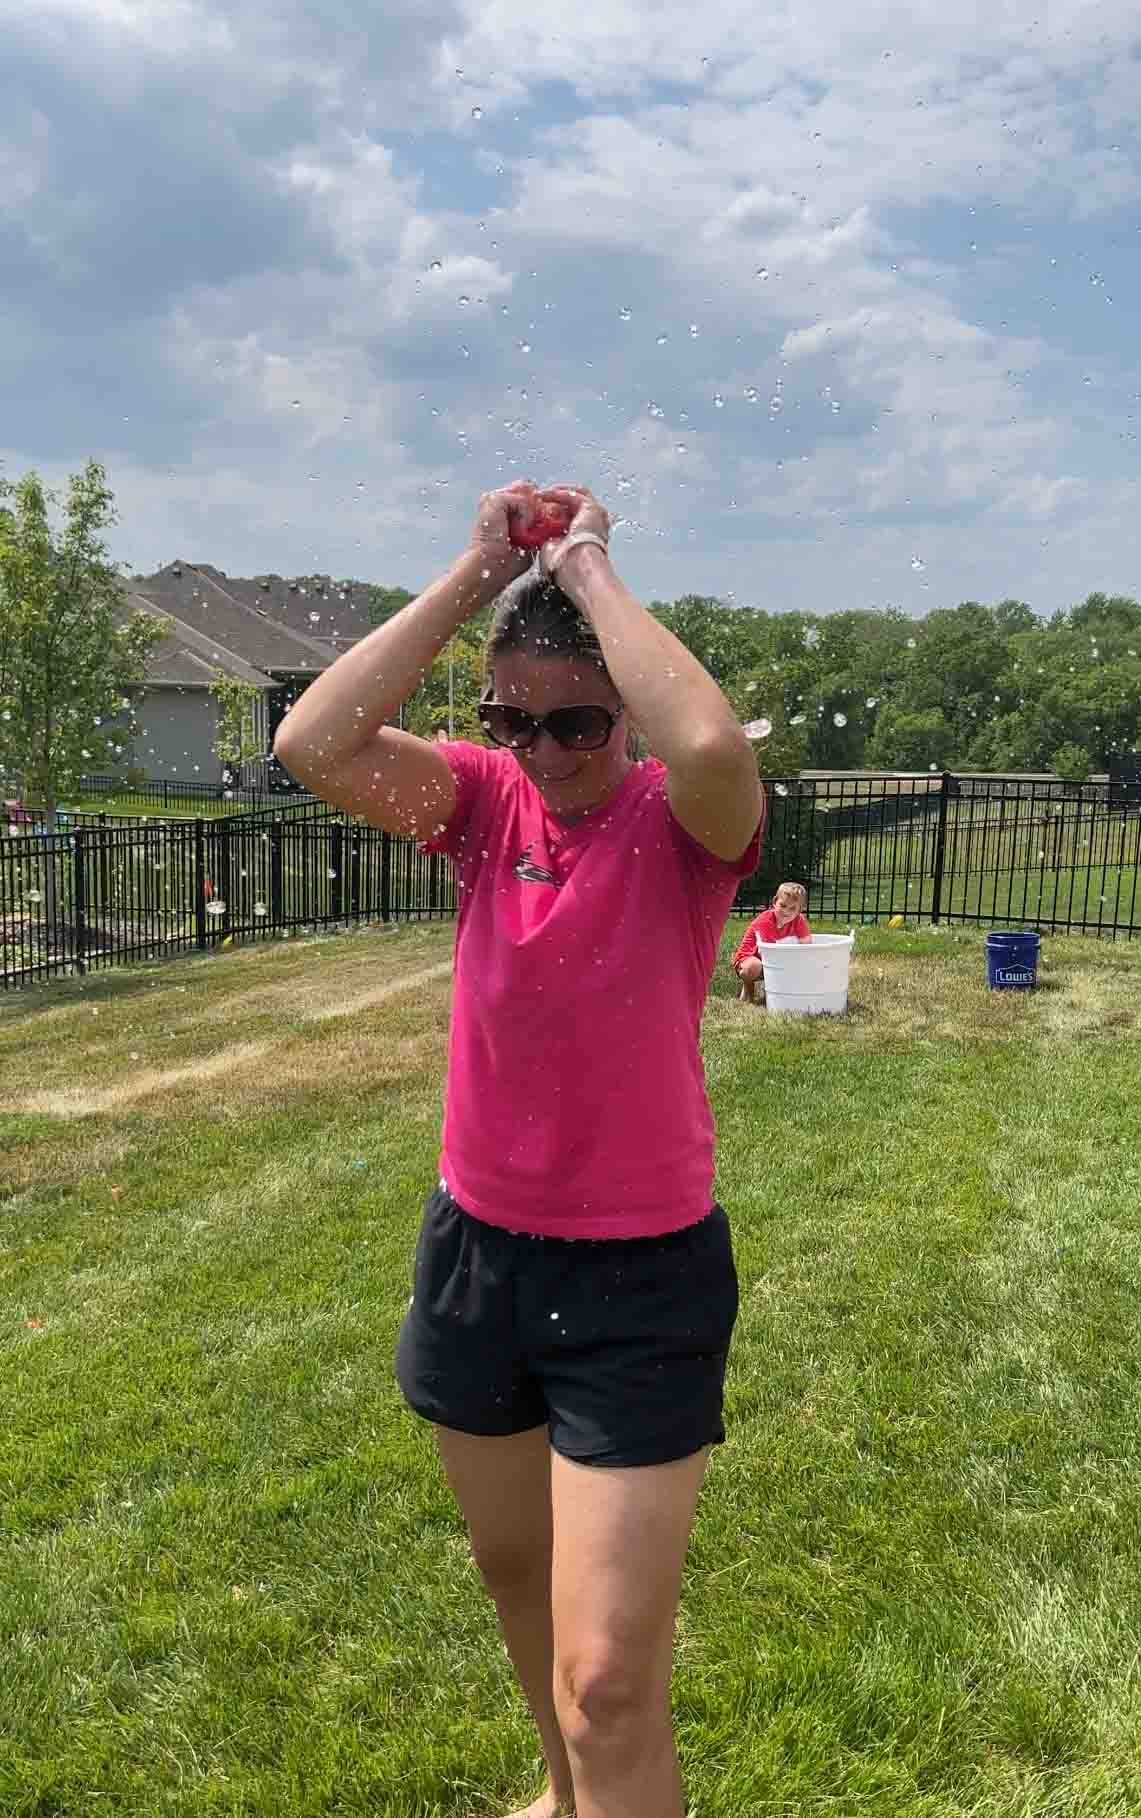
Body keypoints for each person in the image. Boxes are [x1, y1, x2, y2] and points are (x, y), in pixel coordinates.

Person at [272, 479, 763, 1818]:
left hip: (641, 1275)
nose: (542, 750)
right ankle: (561, 1796)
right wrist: (474, 573)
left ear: (623, 713)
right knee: (515, 1575)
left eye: (578, 721)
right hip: (478, 1251)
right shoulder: (482, 805)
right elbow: (315, 740)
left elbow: (712, 738)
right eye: (511, 718)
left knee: (607, 1678)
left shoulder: (681, 825)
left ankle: (595, 1777)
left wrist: (591, 563)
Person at [731, 880, 812, 1004]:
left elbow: (807, 946)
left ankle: (771, 991)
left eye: (792, 908)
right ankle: (748, 988)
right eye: (783, 905)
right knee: (753, 967)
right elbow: (768, 953)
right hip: (750, 959)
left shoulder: (799, 920)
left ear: (800, 910)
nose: (786, 912)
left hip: (774, 959)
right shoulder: (765, 921)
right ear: (775, 902)